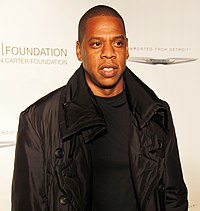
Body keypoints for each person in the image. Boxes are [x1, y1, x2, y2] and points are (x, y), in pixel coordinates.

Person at [12, 4, 188, 211]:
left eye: (118, 43)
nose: (109, 53)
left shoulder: (154, 112)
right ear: (79, 50)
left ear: (127, 48)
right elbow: (28, 204)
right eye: (96, 44)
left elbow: (173, 197)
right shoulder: (38, 119)